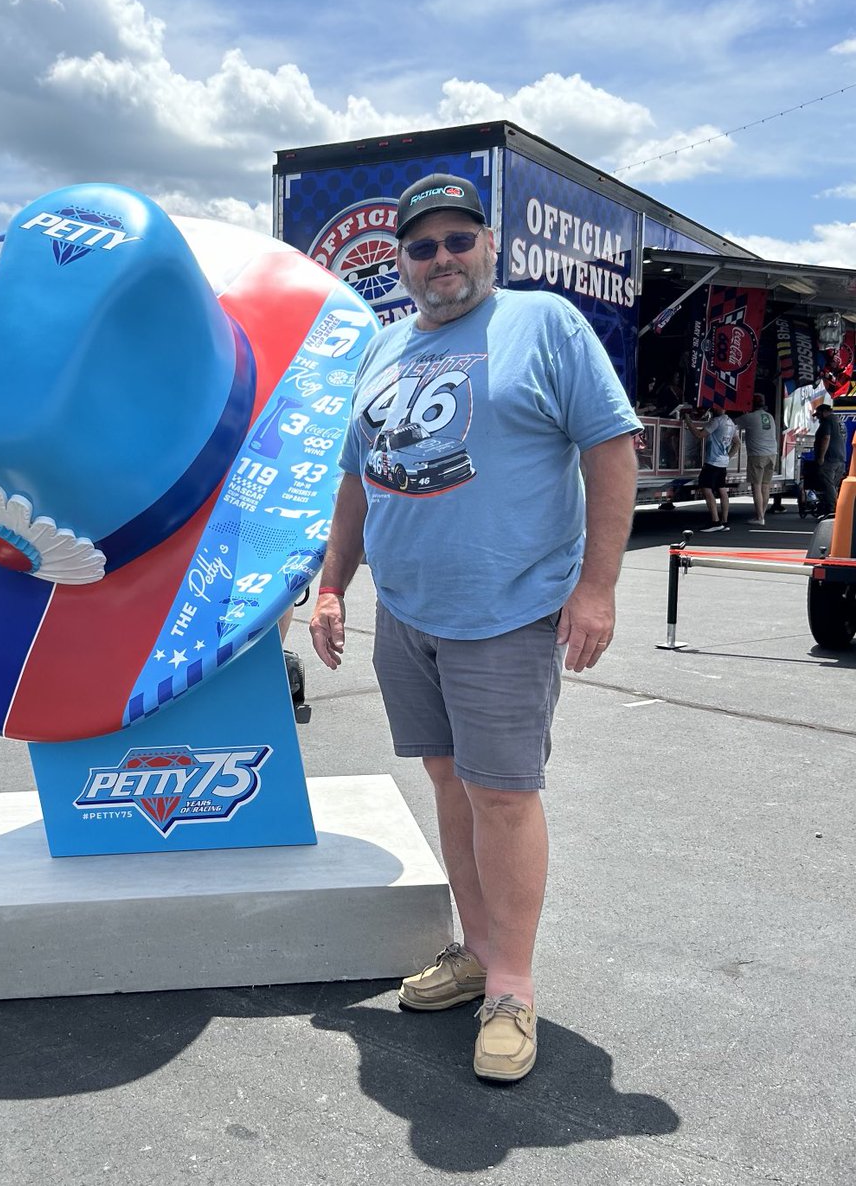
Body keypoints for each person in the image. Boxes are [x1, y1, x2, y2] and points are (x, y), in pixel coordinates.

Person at [308, 173, 639, 1084]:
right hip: (408, 617)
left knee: (502, 795)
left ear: (491, 246)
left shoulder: (546, 325)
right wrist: (334, 585)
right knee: (450, 786)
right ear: (402, 263)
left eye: (460, 240)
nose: (442, 259)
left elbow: (611, 447)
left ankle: (513, 989)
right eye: (423, 246)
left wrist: (597, 588)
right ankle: (477, 951)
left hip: (507, 612)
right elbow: (355, 480)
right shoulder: (380, 350)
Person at [684, 403, 737, 532]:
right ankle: (724, 521)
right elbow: (737, 443)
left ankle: (715, 521)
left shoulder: (716, 421)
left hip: (713, 461)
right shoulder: (731, 423)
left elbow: (699, 435)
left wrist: (688, 420)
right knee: (722, 489)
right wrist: (728, 457)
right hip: (723, 462)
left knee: (706, 488)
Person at [736, 393, 778, 525]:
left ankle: (760, 518)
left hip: (757, 455)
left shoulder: (750, 417)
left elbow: (733, 424)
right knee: (765, 486)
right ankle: (762, 515)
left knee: (756, 486)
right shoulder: (769, 416)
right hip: (772, 454)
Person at [813, 403, 848, 516]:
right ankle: (835, 507)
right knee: (834, 485)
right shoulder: (839, 421)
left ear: (824, 412)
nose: (817, 417)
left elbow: (826, 438)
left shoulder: (827, 421)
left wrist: (821, 457)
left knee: (828, 484)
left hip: (830, 459)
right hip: (840, 458)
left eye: (818, 414)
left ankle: (833, 509)